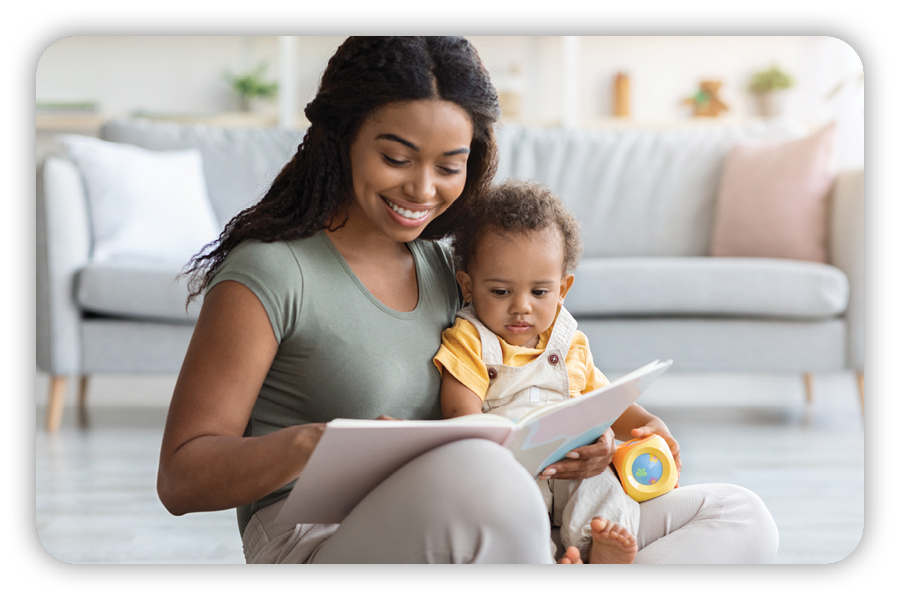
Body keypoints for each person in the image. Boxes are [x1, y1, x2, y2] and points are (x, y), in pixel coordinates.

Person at [157, 36, 779, 564]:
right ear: (340, 139)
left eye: (449, 165)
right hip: (320, 538)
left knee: (740, 518)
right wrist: (314, 444)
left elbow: (559, 385)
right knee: (487, 482)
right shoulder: (269, 271)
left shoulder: (453, 269)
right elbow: (181, 478)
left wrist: (591, 443)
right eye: (396, 157)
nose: (423, 189)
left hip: (493, 517)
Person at [434, 178, 673, 564]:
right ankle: (542, 563)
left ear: (563, 289)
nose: (521, 307)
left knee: (604, 486)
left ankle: (600, 549)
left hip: (573, 461)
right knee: (509, 514)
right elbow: (460, 414)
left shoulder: (569, 342)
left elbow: (607, 402)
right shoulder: (471, 339)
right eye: (500, 292)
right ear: (468, 285)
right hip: (510, 468)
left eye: (540, 292)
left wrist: (648, 422)